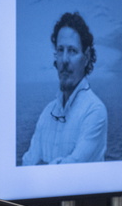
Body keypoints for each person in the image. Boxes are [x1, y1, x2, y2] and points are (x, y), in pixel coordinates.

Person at [21, 11, 108, 165]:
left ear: (86, 57)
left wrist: (40, 166)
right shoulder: (47, 113)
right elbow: (27, 163)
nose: (64, 60)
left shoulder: (95, 111)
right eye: (60, 50)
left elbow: (70, 169)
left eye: (72, 51)